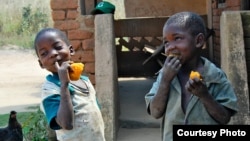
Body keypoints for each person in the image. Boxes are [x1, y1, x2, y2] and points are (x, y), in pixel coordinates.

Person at [145, 11, 238, 141]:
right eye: (166, 42)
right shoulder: (164, 75)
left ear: (199, 41)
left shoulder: (215, 76)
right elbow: (155, 112)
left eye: (177, 38)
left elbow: (224, 118)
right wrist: (165, 81)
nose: (170, 47)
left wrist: (204, 95)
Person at [34, 28, 106, 141]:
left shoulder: (85, 81)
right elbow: (66, 123)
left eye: (57, 47)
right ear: (41, 64)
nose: (53, 54)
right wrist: (64, 84)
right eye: (44, 53)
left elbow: (94, 114)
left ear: (71, 50)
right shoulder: (50, 89)